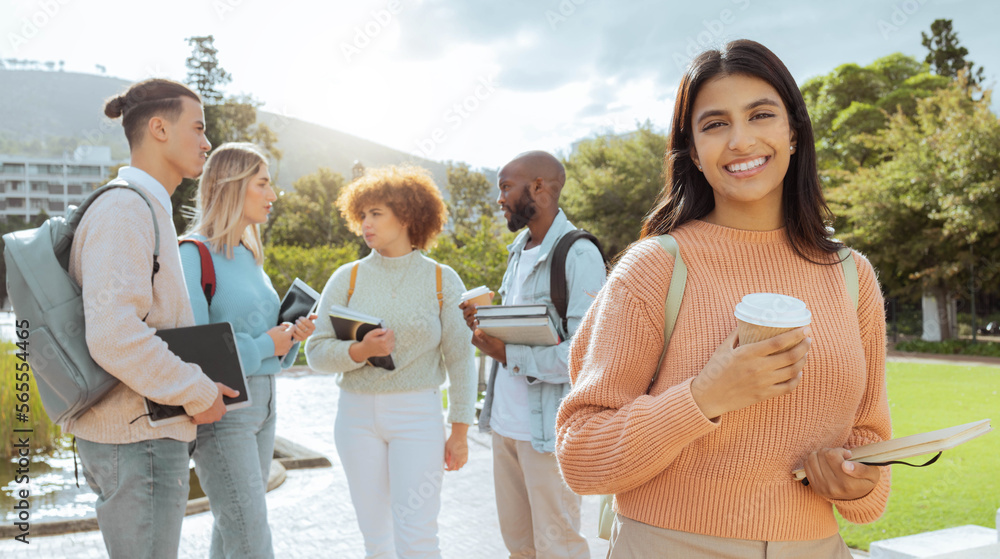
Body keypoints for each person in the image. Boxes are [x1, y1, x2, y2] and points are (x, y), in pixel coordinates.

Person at [555, 39, 891, 558]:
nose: (740, 139)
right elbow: (582, 455)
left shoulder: (851, 275)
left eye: (761, 115)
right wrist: (705, 396)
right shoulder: (654, 268)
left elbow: (871, 439)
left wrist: (859, 484)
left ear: (794, 132)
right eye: (715, 124)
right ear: (693, 150)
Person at [69, 78, 237, 558]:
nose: (208, 142)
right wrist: (196, 389)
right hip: (137, 438)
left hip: (145, 433)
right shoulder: (125, 210)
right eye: (199, 128)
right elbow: (115, 334)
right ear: (159, 128)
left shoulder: (146, 208)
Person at [305, 165, 476, 558]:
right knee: (375, 538)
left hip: (418, 414)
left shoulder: (441, 279)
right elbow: (314, 352)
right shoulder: (345, 278)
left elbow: (461, 358)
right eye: (362, 214)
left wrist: (461, 431)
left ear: (408, 216)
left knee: (417, 535)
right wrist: (360, 352)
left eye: (376, 213)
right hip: (355, 417)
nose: (366, 223)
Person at [459, 151, 604, 559]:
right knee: (519, 547)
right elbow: (523, 328)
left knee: (558, 547)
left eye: (506, 186)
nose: (500, 197)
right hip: (505, 426)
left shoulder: (579, 255)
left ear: (539, 187)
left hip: (547, 435)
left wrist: (507, 353)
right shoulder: (518, 249)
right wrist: (486, 324)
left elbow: (584, 358)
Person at [180, 142, 316, 558]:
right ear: (232, 186)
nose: (273, 195)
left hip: (266, 405)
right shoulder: (193, 253)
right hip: (225, 413)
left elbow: (267, 342)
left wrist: (290, 336)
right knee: (250, 537)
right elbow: (195, 354)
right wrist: (265, 343)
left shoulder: (249, 254)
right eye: (263, 184)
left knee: (232, 531)